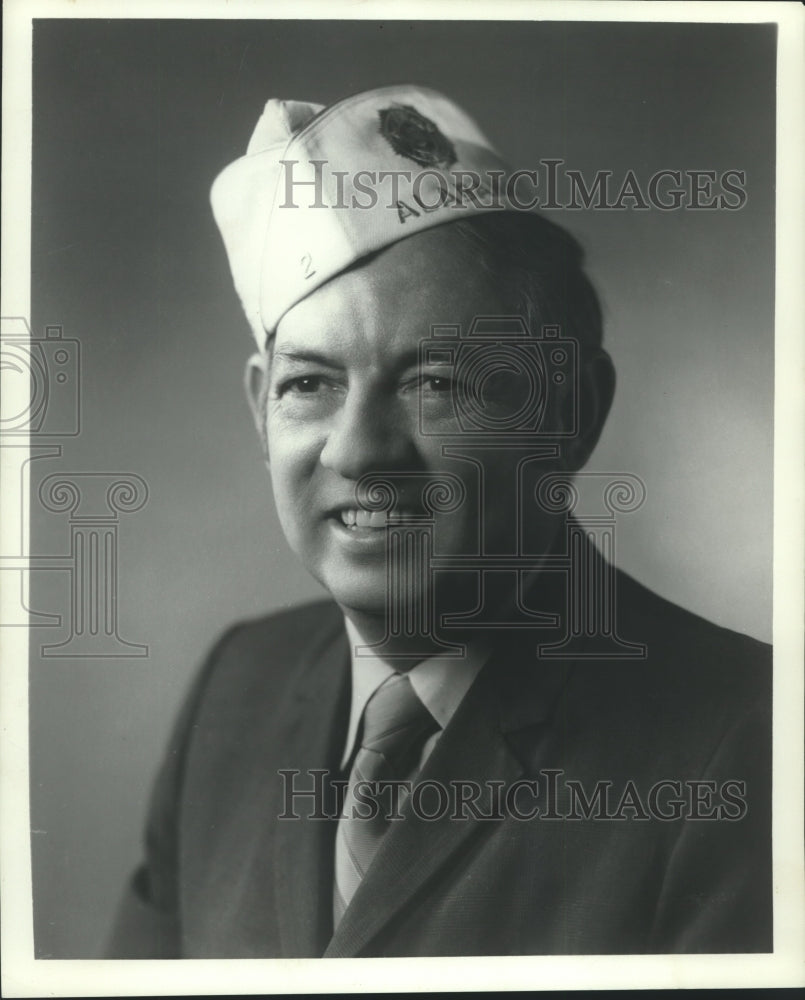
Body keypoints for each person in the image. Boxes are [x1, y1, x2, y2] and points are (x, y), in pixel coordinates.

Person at [107, 85, 772, 958]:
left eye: (435, 382)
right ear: (260, 411)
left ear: (570, 410)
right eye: (310, 383)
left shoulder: (749, 741)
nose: (359, 450)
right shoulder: (235, 690)